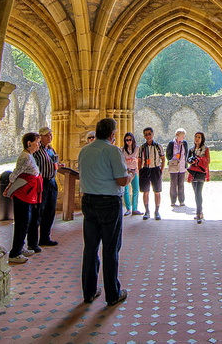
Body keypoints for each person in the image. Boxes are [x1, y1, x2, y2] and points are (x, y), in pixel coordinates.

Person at [78, 117, 133, 306]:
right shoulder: (113, 151)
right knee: (110, 249)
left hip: (88, 201)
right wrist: (131, 175)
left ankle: (89, 292)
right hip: (109, 203)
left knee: (91, 248)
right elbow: (121, 180)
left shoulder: (84, 151)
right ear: (112, 134)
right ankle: (112, 294)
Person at [4, 132, 43, 264]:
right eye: (37, 142)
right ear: (29, 143)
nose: (38, 145)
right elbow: (15, 174)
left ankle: (20, 247)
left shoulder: (29, 156)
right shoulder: (25, 157)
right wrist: (9, 187)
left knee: (26, 221)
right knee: (22, 222)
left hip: (29, 192)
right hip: (23, 193)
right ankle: (15, 253)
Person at [34, 126, 60, 247]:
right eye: (47, 135)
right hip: (42, 182)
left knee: (50, 211)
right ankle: (33, 241)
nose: (50, 137)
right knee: (39, 211)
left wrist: (58, 165)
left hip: (52, 182)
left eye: (50, 134)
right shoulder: (37, 151)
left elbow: (53, 163)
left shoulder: (50, 149)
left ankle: (45, 237)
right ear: (40, 137)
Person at [137, 127, 165, 220]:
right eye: (146, 134)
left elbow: (163, 158)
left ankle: (157, 211)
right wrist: (140, 170)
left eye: (149, 134)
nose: (148, 136)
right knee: (145, 191)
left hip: (155, 169)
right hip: (145, 169)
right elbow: (140, 159)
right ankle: (147, 211)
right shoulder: (142, 147)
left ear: (153, 134)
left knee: (157, 191)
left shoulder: (158, 146)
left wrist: (161, 169)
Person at [187, 132, 210, 224]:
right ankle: (199, 211)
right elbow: (187, 160)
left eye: (199, 137)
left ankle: (198, 212)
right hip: (193, 172)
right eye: (195, 137)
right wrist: (191, 161)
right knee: (195, 192)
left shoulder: (205, 149)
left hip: (200, 172)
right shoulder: (191, 149)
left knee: (198, 192)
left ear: (202, 139)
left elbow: (208, 161)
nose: (197, 139)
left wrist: (198, 160)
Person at [167, 128, 189, 207]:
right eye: (182, 136)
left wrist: (186, 162)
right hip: (174, 165)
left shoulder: (184, 143)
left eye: (184, 136)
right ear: (177, 135)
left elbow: (187, 153)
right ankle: (173, 201)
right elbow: (168, 155)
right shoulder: (171, 143)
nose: (183, 137)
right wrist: (173, 157)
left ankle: (181, 200)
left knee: (181, 184)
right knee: (173, 183)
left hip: (182, 165)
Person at [122, 132, 142, 216]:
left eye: (130, 139)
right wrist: (128, 160)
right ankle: (128, 209)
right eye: (127, 140)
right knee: (126, 190)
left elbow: (140, 159)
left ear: (133, 140)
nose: (128, 141)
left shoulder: (137, 148)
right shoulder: (122, 150)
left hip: (134, 170)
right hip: (126, 171)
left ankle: (134, 208)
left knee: (136, 190)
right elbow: (121, 160)